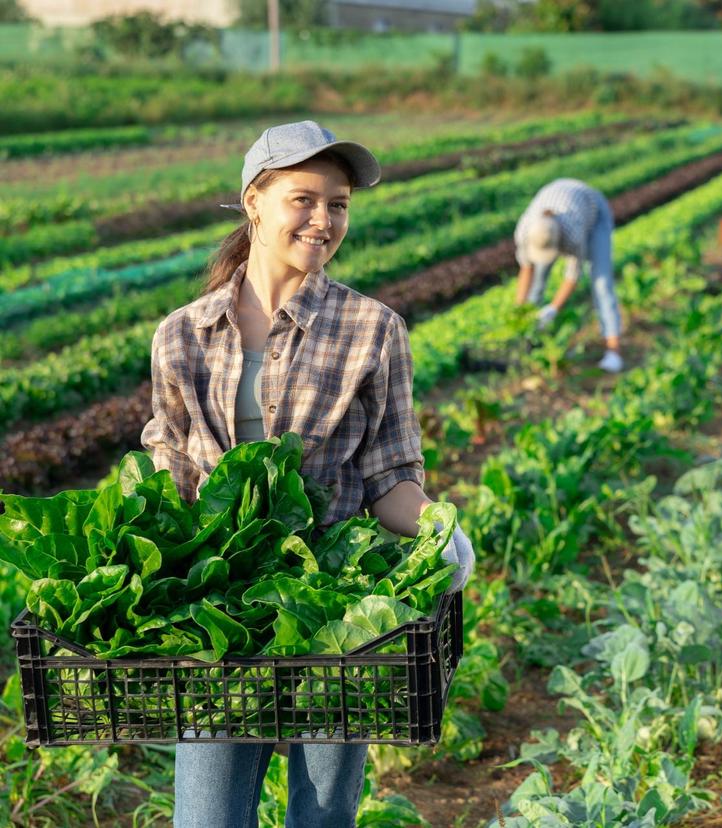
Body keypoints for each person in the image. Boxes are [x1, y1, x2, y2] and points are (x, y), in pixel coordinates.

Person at [140, 120, 475, 827]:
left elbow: (389, 476)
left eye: (339, 204)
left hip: (332, 615)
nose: (323, 220)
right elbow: (169, 473)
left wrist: (438, 530)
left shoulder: (373, 329)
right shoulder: (181, 335)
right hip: (220, 618)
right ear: (253, 201)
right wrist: (128, 541)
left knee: (321, 819)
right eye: (303, 199)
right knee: (206, 819)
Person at [513, 178, 624, 373]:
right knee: (537, 286)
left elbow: (572, 277)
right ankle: (528, 345)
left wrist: (553, 308)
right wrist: (520, 312)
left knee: (601, 284)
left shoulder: (573, 233)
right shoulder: (526, 230)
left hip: (594, 212)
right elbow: (526, 269)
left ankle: (613, 350)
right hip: (560, 198)